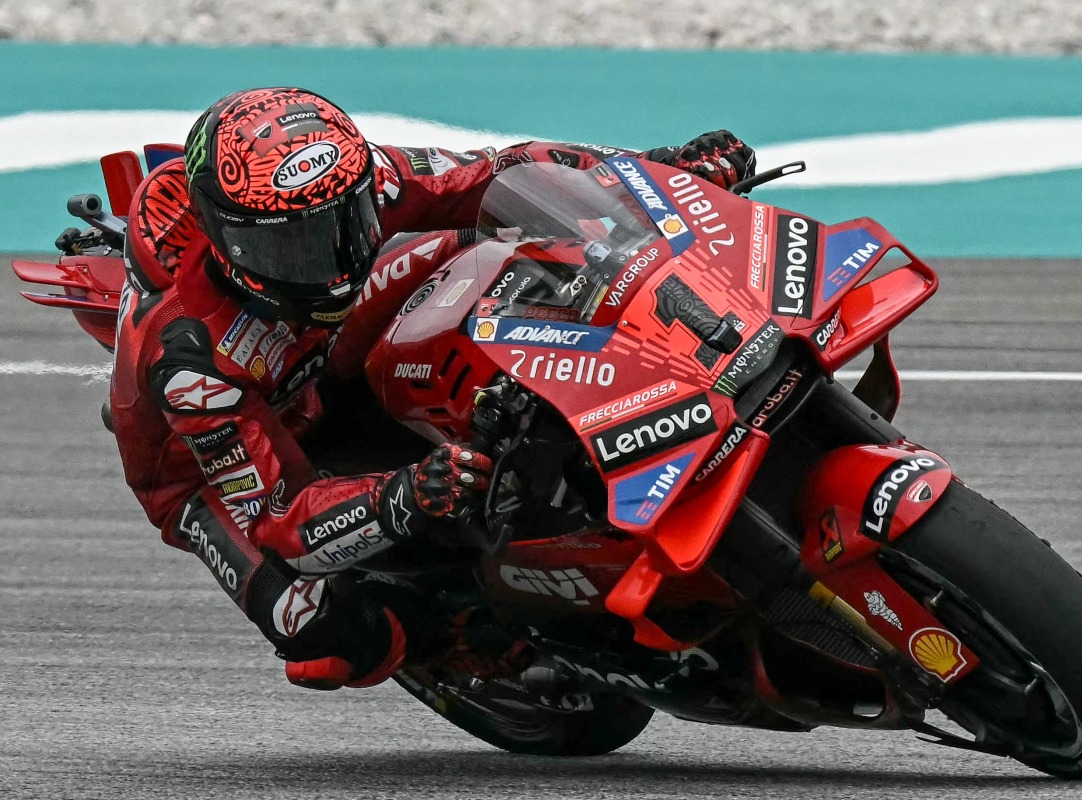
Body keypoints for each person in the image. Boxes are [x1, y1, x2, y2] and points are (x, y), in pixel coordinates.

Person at [109, 86, 756, 691]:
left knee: (499, 248)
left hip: (319, 355)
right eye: (294, 251)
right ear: (227, 246)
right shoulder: (193, 361)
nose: (332, 260)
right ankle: (447, 645)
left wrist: (652, 178)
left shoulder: (360, 178)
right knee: (323, 632)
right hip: (209, 473)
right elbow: (280, 519)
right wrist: (405, 496)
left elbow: (501, 172)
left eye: (344, 222)